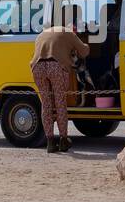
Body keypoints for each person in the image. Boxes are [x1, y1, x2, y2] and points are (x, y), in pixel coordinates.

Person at [30, 10, 91, 153]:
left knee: (46, 104)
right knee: (60, 103)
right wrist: (86, 45)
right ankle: (63, 140)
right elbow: (84, 51)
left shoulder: (42, 34)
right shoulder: (68, 33)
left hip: (37, 67)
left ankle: (50, 142)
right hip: (56, 67)